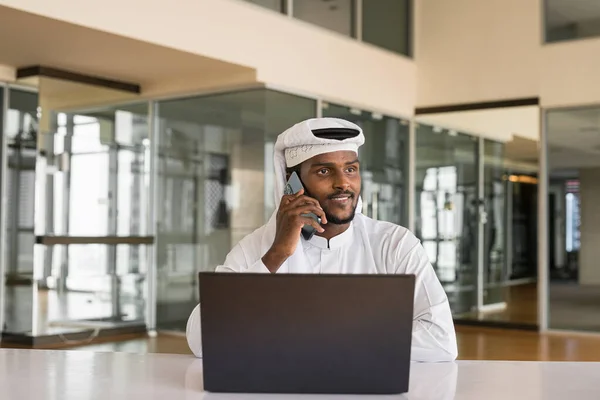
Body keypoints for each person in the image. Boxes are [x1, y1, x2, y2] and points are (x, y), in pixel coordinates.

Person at [186, 117, 458, 362]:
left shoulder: (394, 243)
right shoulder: (260, 246)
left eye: (350, 169)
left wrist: (324, 340)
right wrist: (277, 254)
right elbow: (201, 339)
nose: (343, 183)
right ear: (292, 184)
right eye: (324, 172)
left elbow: (441, 340)